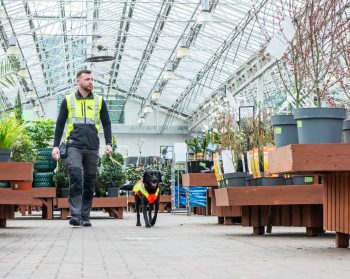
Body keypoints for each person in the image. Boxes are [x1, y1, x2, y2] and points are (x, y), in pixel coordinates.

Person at [52, 69, 112, 227]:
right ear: (78, 81)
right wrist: (55, 146)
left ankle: (85, 215)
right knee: (76, 175)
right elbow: (59, 124)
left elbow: (106, 123)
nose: (91, 82)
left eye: (92, 79)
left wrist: (109, 142)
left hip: (92, 146)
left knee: (90, 180)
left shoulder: (99, 101)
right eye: (87, 79)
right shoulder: (68, 100)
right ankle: (75, 214)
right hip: (74, 145)